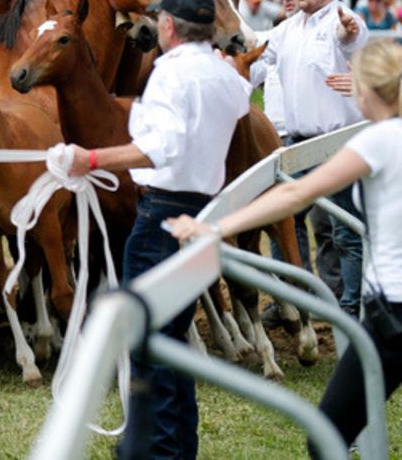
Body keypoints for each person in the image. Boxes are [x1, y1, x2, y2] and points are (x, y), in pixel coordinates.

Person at [169, 38, 402, 457]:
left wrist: (217, 226)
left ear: (364, 91)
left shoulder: (377, 141)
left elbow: (293, 196)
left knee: (327, 436)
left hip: (393, 316)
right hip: (389, 315)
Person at [68, 0, 253, 459]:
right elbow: (238, 100)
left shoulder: (171, 74)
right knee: (171, 337)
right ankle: (168, 445)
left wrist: (90, 158)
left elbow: (162, 146)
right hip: (199, 211)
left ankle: (156, 450)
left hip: (164, 214)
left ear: (168, 25)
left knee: (150, 339)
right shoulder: (223, 73)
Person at [252, 0, 369, 317]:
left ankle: (350, 309)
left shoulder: (344, 20)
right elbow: (256, 55)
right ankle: (297, 300)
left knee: (345, 230)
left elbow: (350, 37)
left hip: (339, 143)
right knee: (287, 222)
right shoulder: (287, 28)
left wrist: (348, 33)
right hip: (299, 143)